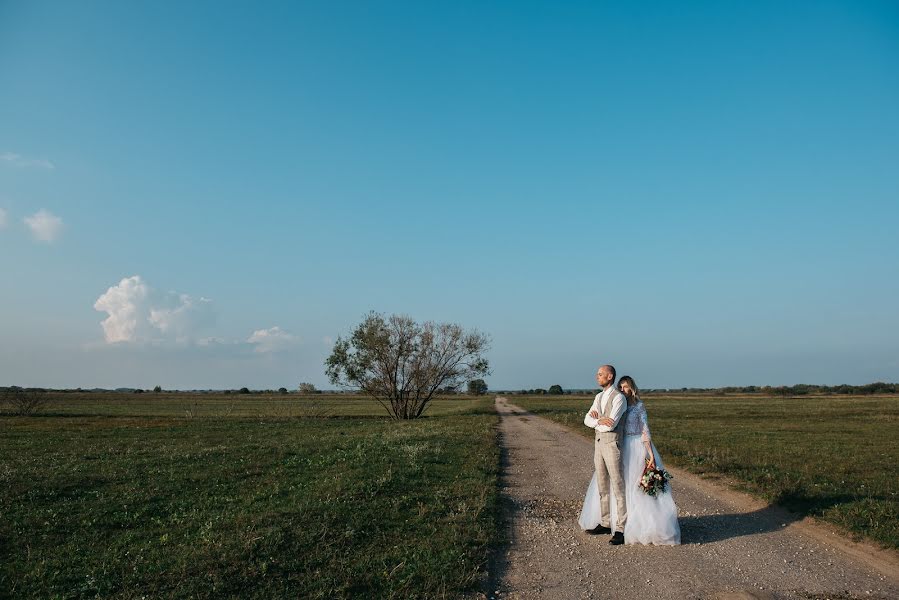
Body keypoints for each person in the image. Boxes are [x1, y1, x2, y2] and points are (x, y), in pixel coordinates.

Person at [581, 375, 681, 545]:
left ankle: (634, 525)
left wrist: (649, 454)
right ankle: (609, 521)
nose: (622, 390)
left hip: (636, 446)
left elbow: (644, 429)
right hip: (619, 444)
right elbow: (606, 422)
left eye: (625, 386)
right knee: (613, 483)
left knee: (634, 485)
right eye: (620, 387)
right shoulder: (619, 404)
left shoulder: (638, 406)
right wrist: (598, 419)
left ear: (632, 388)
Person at [580, 364, 628, 545]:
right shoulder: (598, 396)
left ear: (610, 377)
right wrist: (599, 419)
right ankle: (606, 522)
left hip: (612, 444)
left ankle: (621, 528)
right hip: (598, 443)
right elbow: (587, 419)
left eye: (600, 374)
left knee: (617, 484)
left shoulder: (619, 398)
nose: (596, 376)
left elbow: (611, 425)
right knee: (602, 484)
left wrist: (596, 420)